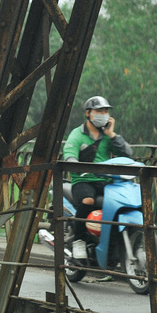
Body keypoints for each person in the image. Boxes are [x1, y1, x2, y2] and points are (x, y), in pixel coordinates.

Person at [62, 95, 133, 250]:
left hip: (105, 180)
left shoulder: (108, 137)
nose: (103, 114)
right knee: (88, 200)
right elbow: (69, 154)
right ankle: (78, 241)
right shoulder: (77, 134)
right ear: (88, 113)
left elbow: (127, 153)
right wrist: (74, 163)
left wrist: (112, 135)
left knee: (119, 202)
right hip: (83, 180)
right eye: (99, 111)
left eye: (105, 111)